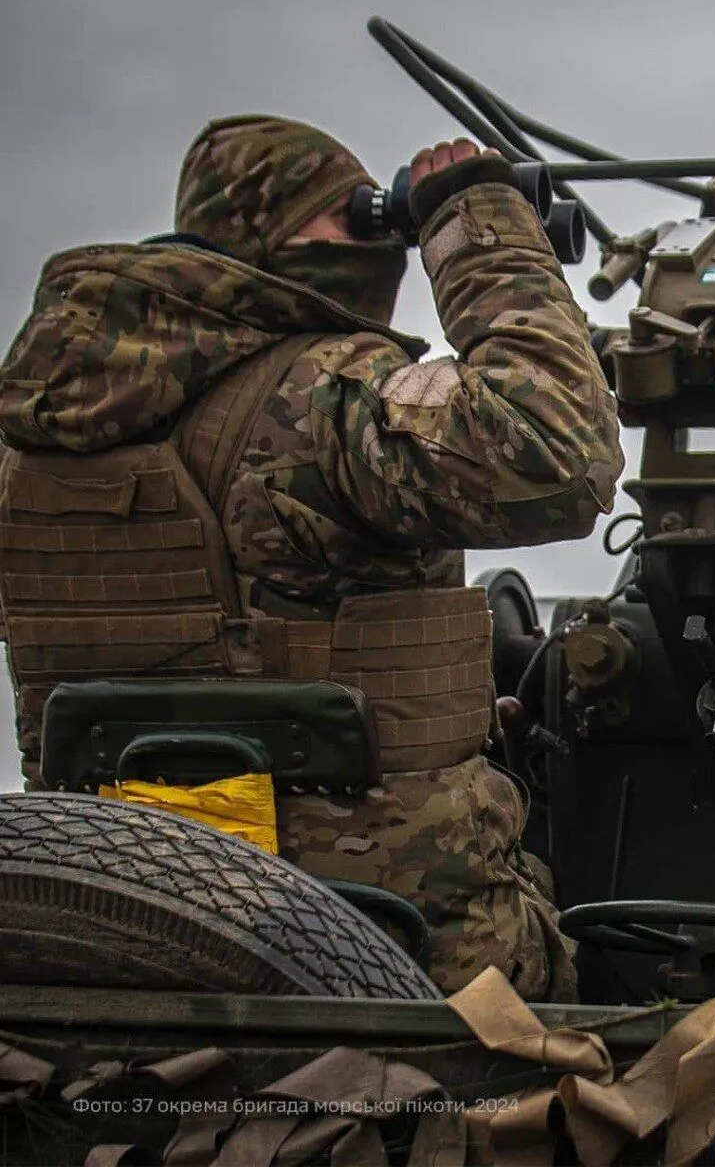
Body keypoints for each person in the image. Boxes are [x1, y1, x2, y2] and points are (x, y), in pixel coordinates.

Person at [0, 115, 624, 1001]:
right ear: (273, 240)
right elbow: (558, 456)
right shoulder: (322, 401)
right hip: (401, 955)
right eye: (363, 218)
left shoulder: (29, 443)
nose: (386, 248)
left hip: (114, 945)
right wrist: (476, 227)